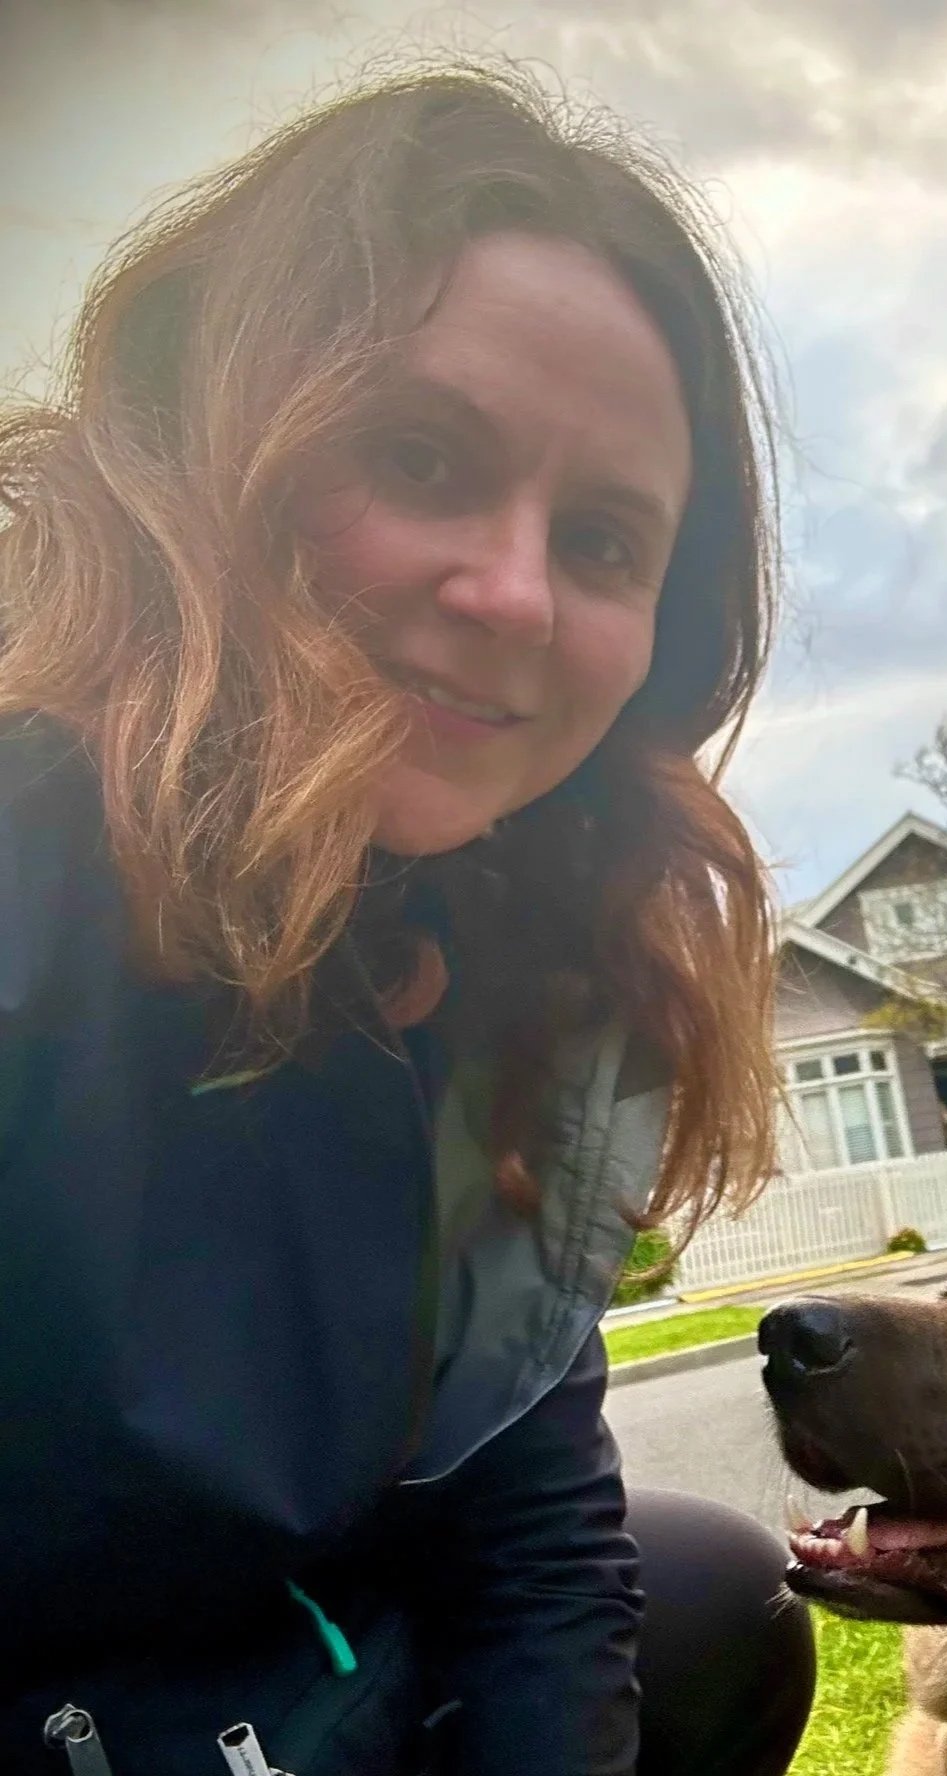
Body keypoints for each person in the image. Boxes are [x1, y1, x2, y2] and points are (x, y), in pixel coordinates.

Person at [0, 64, 814, 1776]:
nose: (511, 593)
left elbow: (537, 1544)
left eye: (601, 541)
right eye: (421, 456)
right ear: (208, 435)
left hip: (280, 1686)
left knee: (705, 1596)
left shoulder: (527, 973)